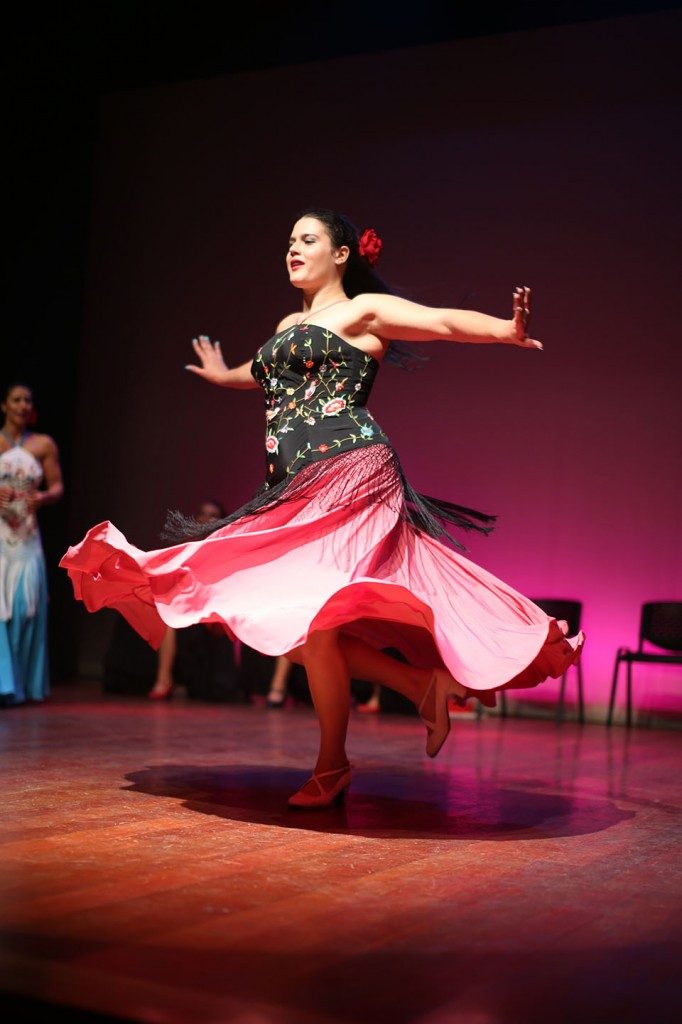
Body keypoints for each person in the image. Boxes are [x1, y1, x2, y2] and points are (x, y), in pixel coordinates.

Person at [60, 207, 584, 808]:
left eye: (306, 239)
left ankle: (333, 764)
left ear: (341, 254)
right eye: (289, 240)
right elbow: (262, 374)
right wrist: (224, 375)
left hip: (351, 472)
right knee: (281, 622)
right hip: (293, 488)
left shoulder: (361, 311)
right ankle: (420, 686)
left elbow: (440, 321)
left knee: (314, 621)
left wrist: (504, 329)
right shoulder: (288, 322)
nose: (292, 248)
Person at [1, 382, 64, 706]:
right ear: (4, 406)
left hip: (27, 536)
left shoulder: (43, 444)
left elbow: (57, 487)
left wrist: (42, 497)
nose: (23, 405)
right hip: (0, 534)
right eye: (16, 400)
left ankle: (18, 685)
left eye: (27, 400)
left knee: (24, 607)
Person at [148, 499, 226, 700]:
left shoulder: (224, 549)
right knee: (166, 615)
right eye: (203, 513)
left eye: (213, 515)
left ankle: (171, 680)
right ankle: (164, 679)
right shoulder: (185, 547)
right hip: (184, 609)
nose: (207, 519)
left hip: (210, 612)